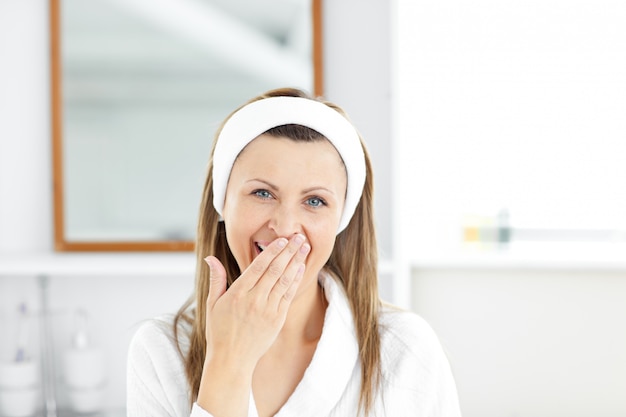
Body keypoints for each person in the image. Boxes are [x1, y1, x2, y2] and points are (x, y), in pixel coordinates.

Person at [127, 88, 461, 417]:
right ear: (222, 204)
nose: (285, 227)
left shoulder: (406, 351)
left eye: (315, 201)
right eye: (262, 193)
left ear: (340, 219)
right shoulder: (161, 351)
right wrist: (229, 363)